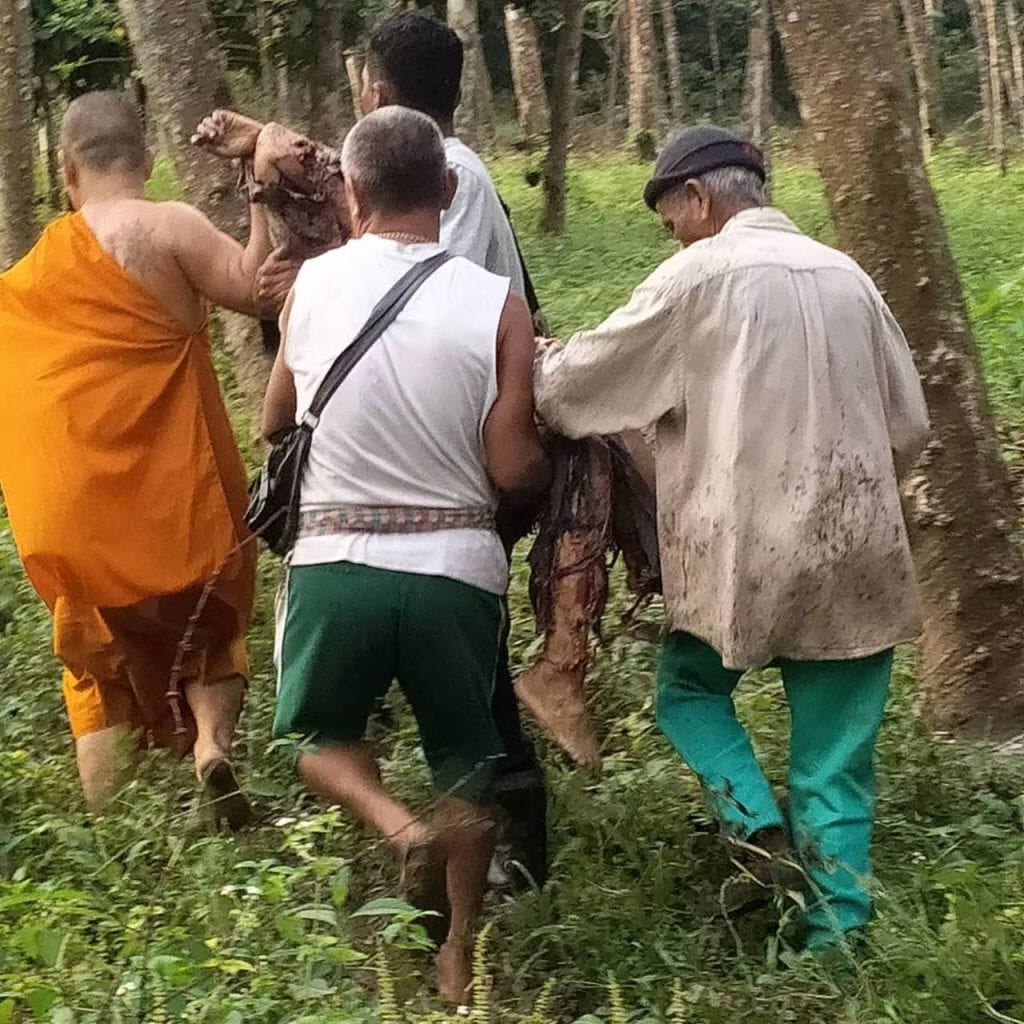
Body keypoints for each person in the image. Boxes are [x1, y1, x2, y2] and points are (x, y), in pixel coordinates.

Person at [533, 125, 930, 952]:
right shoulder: (850, 276)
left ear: (698, 199)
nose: (673, 237)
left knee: (689, 691)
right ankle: (835, 943)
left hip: (744, 552)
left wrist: (535, 358)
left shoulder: (698, 277)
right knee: (835, 760)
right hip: (859, 548)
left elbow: (573, 391)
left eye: (670, 221)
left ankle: (753, 824)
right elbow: (910, 425)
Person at [264, 107, 550, 1002]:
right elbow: (511, 466)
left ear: (351, 193)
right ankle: (457, 956)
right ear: (451, 188)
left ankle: (397, 828)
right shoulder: (499, 306)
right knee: (467, 763)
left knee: (313, 738)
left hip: (333, 567)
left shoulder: (311, 287)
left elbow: (275, 420)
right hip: (455, 571)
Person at [0, 92, 272, 823]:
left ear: (66, 171)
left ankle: (109, 836)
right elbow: (259, 289)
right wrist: (259, 188)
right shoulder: (167, 226)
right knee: (212, 627)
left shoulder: (31, 276)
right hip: (173, 502)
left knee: (97, 661)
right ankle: (211, 746)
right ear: (146, 160)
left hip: (75, 513)